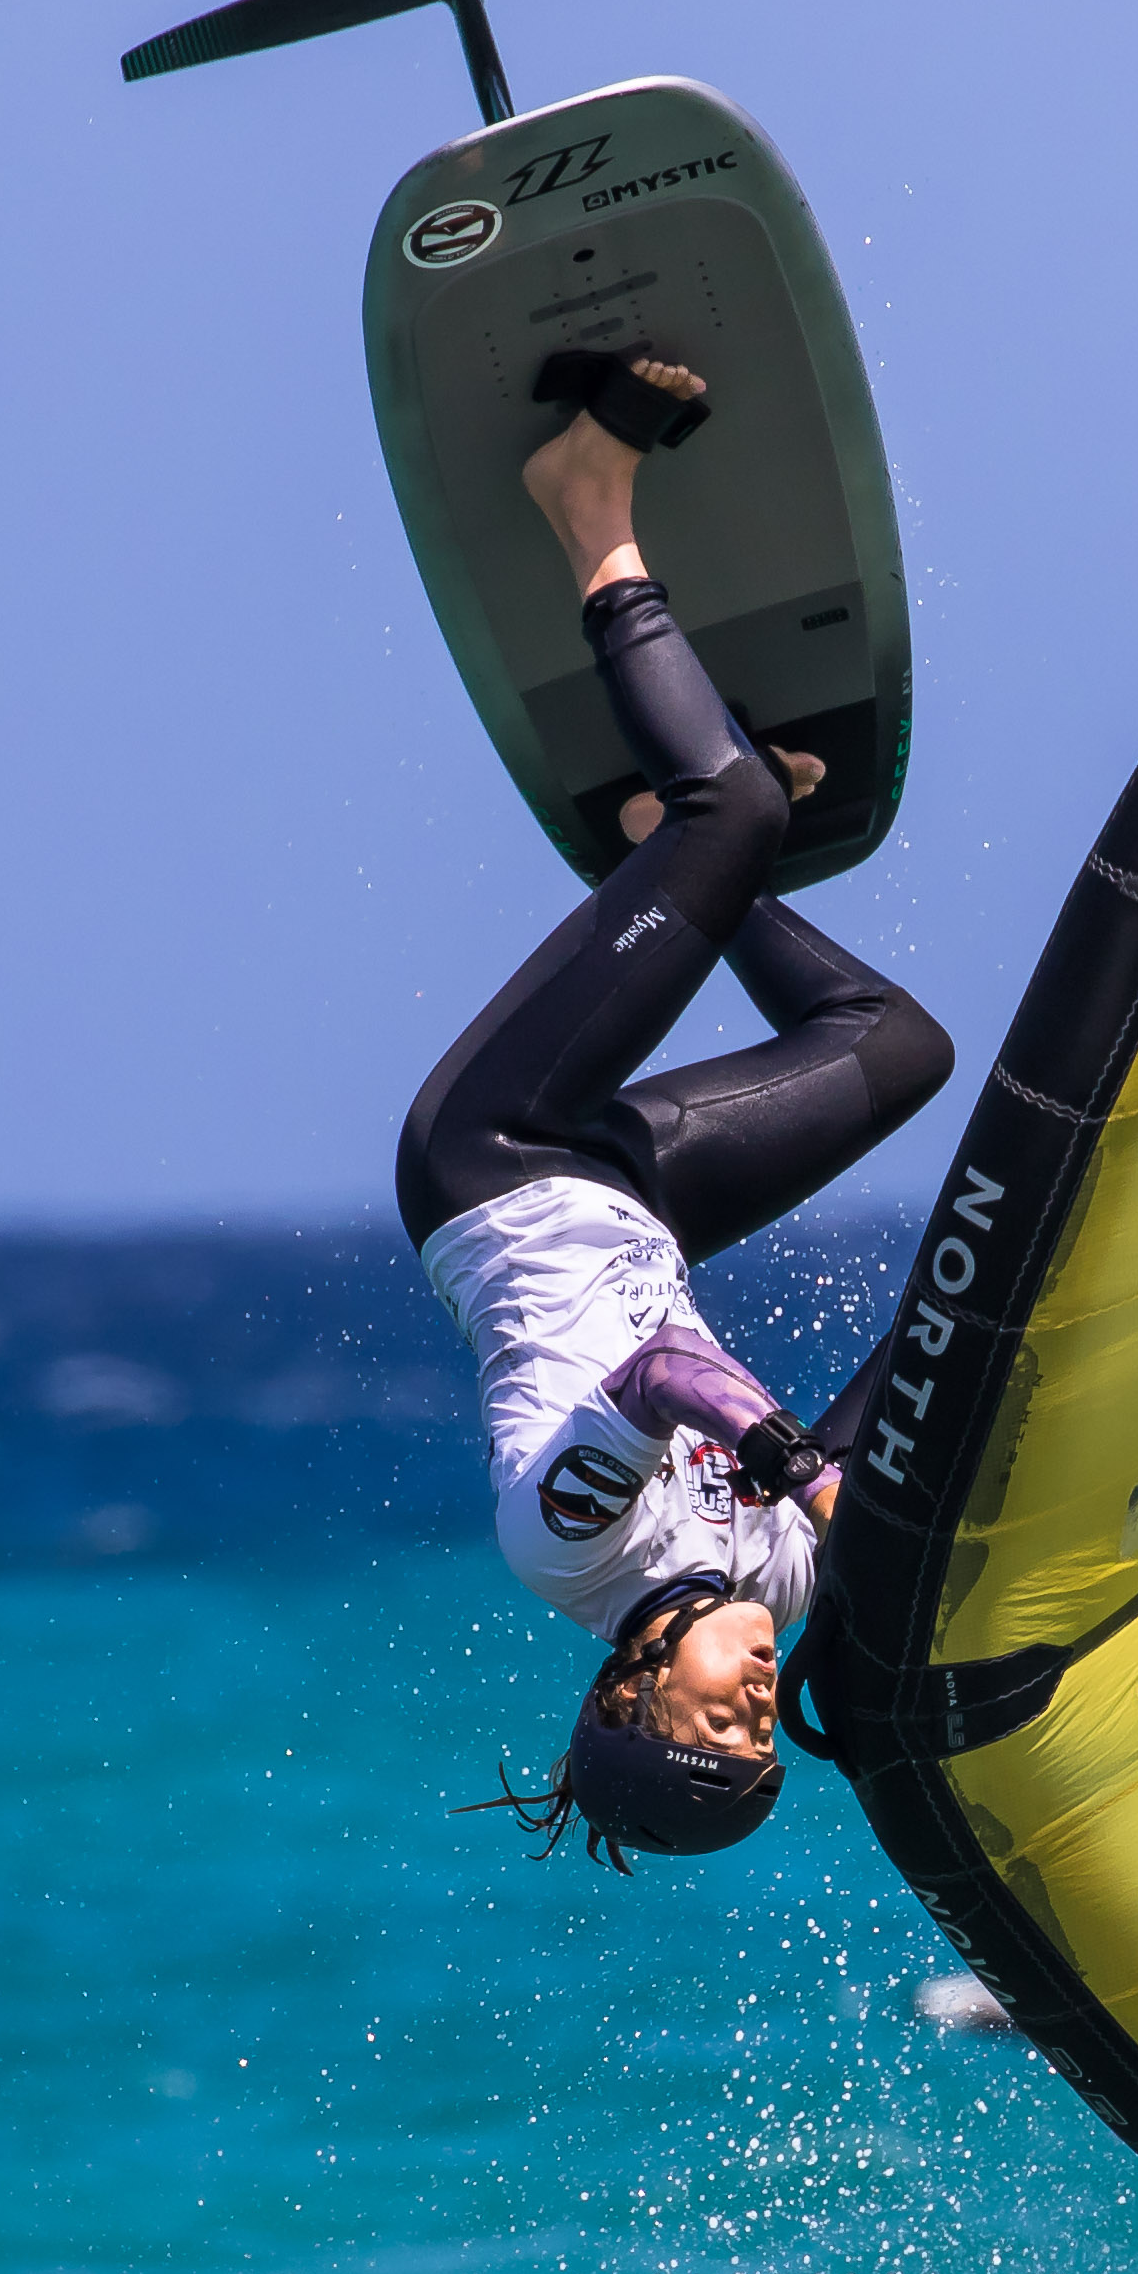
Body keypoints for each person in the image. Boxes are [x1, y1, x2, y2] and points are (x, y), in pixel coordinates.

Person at [401, 350, 953, 1865]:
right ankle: (666, 850)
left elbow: (654, 1376)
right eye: (762, 1730)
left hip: (499, 1160)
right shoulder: (772, 1590)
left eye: (720, 1720)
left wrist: (805, 1478)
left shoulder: (564, 1541)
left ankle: (584, 500)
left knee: (749, 809)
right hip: (640, 1201)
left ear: (635, 1690)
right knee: (897, 1049)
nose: (756, 1697)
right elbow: (897, 1396)